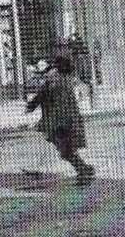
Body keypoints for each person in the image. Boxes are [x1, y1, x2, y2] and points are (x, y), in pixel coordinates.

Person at [26, 54, 93, 186]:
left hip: (64, 122)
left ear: (58, 69)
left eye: (53, 67)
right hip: (63, 121)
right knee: (66, 150)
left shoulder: (60, 82)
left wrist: (33, 106)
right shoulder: (58, 81)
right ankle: (84, 170)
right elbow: (42, 95)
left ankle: (84, 171)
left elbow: (48, 97)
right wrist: (32, 105)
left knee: (67, 150)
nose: (50, 70)